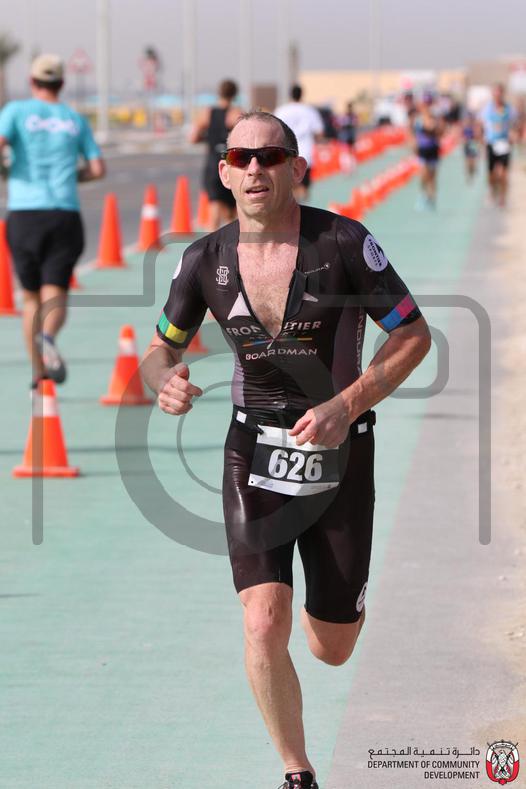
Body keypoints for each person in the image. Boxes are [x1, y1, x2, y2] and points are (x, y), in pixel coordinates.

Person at [142, 111, 431, 789]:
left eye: (270, 157)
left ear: (296, 168)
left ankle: (334, 600)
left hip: (341, 453)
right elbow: (160, 348)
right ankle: (297, 771)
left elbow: (413, 335)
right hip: (253, 454)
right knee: (263, 621)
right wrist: (163, 381)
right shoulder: (204, 260)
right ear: (223, 172)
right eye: (241, 157)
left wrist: (345, 405)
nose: (255, 169)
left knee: (331, 646)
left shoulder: (344, 243)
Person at [0, 53, 105, 387]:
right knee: (55, 292)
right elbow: (97, 168)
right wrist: (73, 177)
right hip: (63, 213)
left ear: (32, 81)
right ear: (62, 83)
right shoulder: (75, 119)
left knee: (30, 297)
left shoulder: (16, 112)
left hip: (24, 213)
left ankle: (38, 372)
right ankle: (49, 336)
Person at [189, 79, 243, 230]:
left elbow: (193, 138)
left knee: (214, 214)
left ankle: (213, 244)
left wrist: (209, 138)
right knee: (235, 216)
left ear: (219, 93)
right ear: (235, 94)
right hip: (232, 165)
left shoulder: (207, 113)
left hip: (214, 166)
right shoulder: (237, 114)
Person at [275, 85, 324, 202]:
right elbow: (319, 132)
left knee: (291, 187)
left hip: (287, 154)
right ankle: (303, 209)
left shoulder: (282, 110)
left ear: (290, 94)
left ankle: (295, 207)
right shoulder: (309, 111)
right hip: (306, 155)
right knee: (304, 189)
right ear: (302, 94)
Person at [480, 83, 517, 207]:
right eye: (495, 93)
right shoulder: (487, 109)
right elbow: (480, 126)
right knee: (491, 173)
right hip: (491, 143)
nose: (497, 95)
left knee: (503, 173)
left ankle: (503, 197)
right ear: (492, 94)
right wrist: (481, 142)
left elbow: (516, 124)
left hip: (504, 143)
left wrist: (514, 134)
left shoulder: (509, 109)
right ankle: (491, 189)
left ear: (502, 94)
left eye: (499, 93)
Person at [410, 92, 445, 210]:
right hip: (423, 149)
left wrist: (436, 128)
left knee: (432, 176)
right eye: (425, 103)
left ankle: (432, 198)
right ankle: (423, 196)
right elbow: (413, 133)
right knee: (424, 174)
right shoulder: (418, 118)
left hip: (433, 149)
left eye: (428, 103)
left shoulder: (436, 117)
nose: (426, 105)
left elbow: (441, 132)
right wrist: (414, 146)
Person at [462, 110, 481, 182]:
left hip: (473, 144)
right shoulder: (465, 127)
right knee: (468, 160)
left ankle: (472, 172)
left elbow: (477, 136)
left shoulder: (475, 127)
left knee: (472, 160)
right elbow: (463, 136)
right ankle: (468, 173)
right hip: (467, 145)